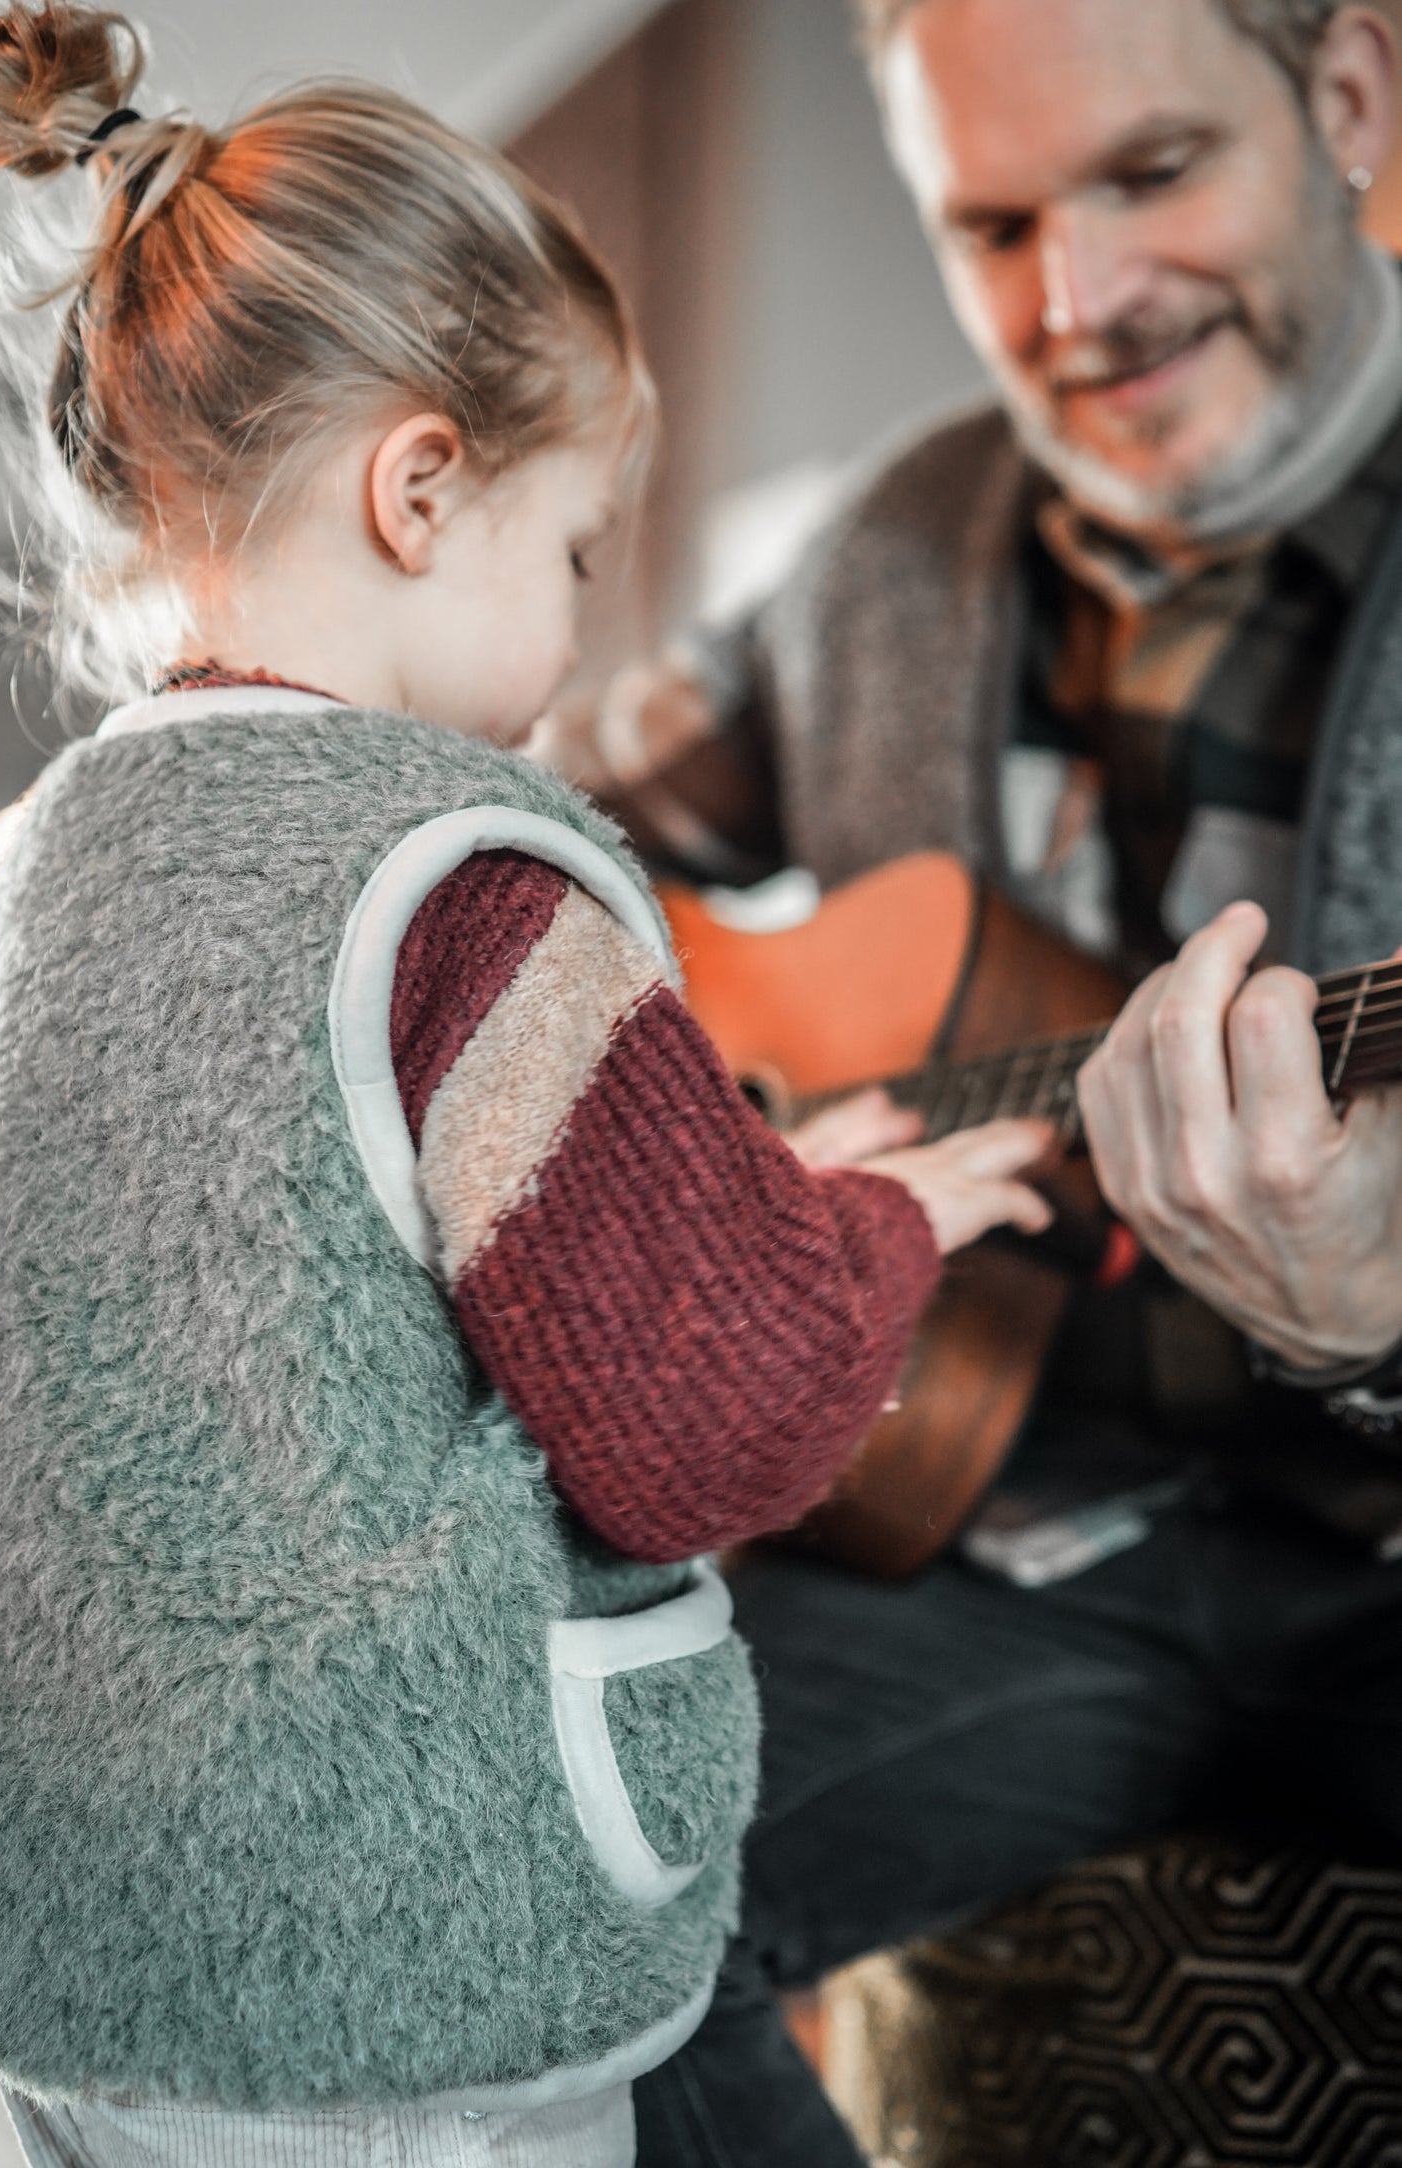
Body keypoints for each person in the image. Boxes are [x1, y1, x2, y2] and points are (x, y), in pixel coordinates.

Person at [0, 10, 1055, 2168]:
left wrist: (730, 1178)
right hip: (383, 2002)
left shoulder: (46, 875)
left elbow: (279, 1296)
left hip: (61, 1984)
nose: (581, 621)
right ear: (423, 485)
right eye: (574, 551)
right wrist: (885, 1224)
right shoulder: (471, 883)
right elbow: (713, 1411)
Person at [542, 1, 1402, 2161]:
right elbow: (539, 842)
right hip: (997, 1544)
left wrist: (1371, 1329)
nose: (1075, 301)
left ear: (1358, 100)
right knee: (532, 1889)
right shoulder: (888, 541)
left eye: (1147, 175)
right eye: (992, 220)